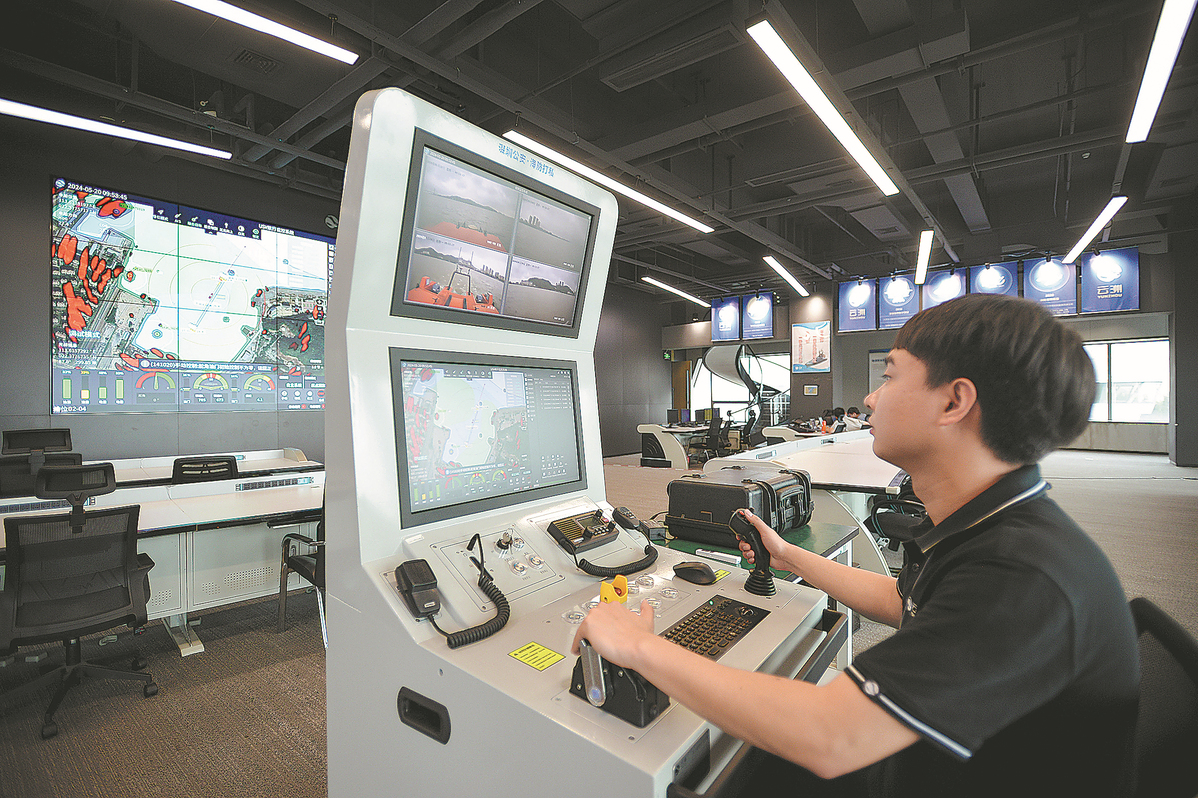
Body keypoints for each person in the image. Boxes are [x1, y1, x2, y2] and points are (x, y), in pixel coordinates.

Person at [572, 294, 1139, 797]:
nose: (869, 398)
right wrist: (789, 555)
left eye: (890, 377)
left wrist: (638, 647)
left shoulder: (1021, 576)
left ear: (953, 403)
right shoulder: (991, 524)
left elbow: (831, 736)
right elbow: (903, 601)